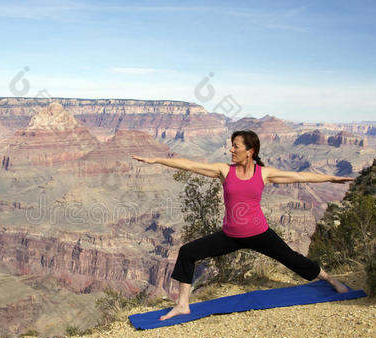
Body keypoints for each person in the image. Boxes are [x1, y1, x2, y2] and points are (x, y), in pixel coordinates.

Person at [132, 130, 354, 321]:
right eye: (231, 146)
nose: (231, 150)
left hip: (260, 234)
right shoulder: (224, 171)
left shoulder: (264, 174)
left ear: (250, 151)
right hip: (230, 236)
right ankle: (182, 304)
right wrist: (157, 160)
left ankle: (330, 280)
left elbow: (300, 176)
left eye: (235, 146)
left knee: (292, 258)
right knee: (187, 252)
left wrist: (332, 179)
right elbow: (190, 165)